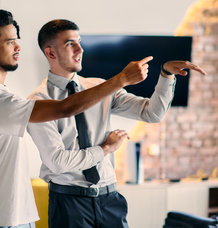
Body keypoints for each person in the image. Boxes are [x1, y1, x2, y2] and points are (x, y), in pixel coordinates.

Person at [0, 7, 151, 228]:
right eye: (10, 41)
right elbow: (64, 108)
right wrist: (120, 80)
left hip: (11, 217)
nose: (18, 46)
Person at [27, 19, 207, 228]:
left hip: (109, 199)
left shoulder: (101, 87)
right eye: (70, 44)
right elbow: (58, 162)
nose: (80, 49)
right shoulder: (38, 102)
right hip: (69, 203)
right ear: (50, 53)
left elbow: (152, 114)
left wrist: (166, 75)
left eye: (79, 41)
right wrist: (105, 149)